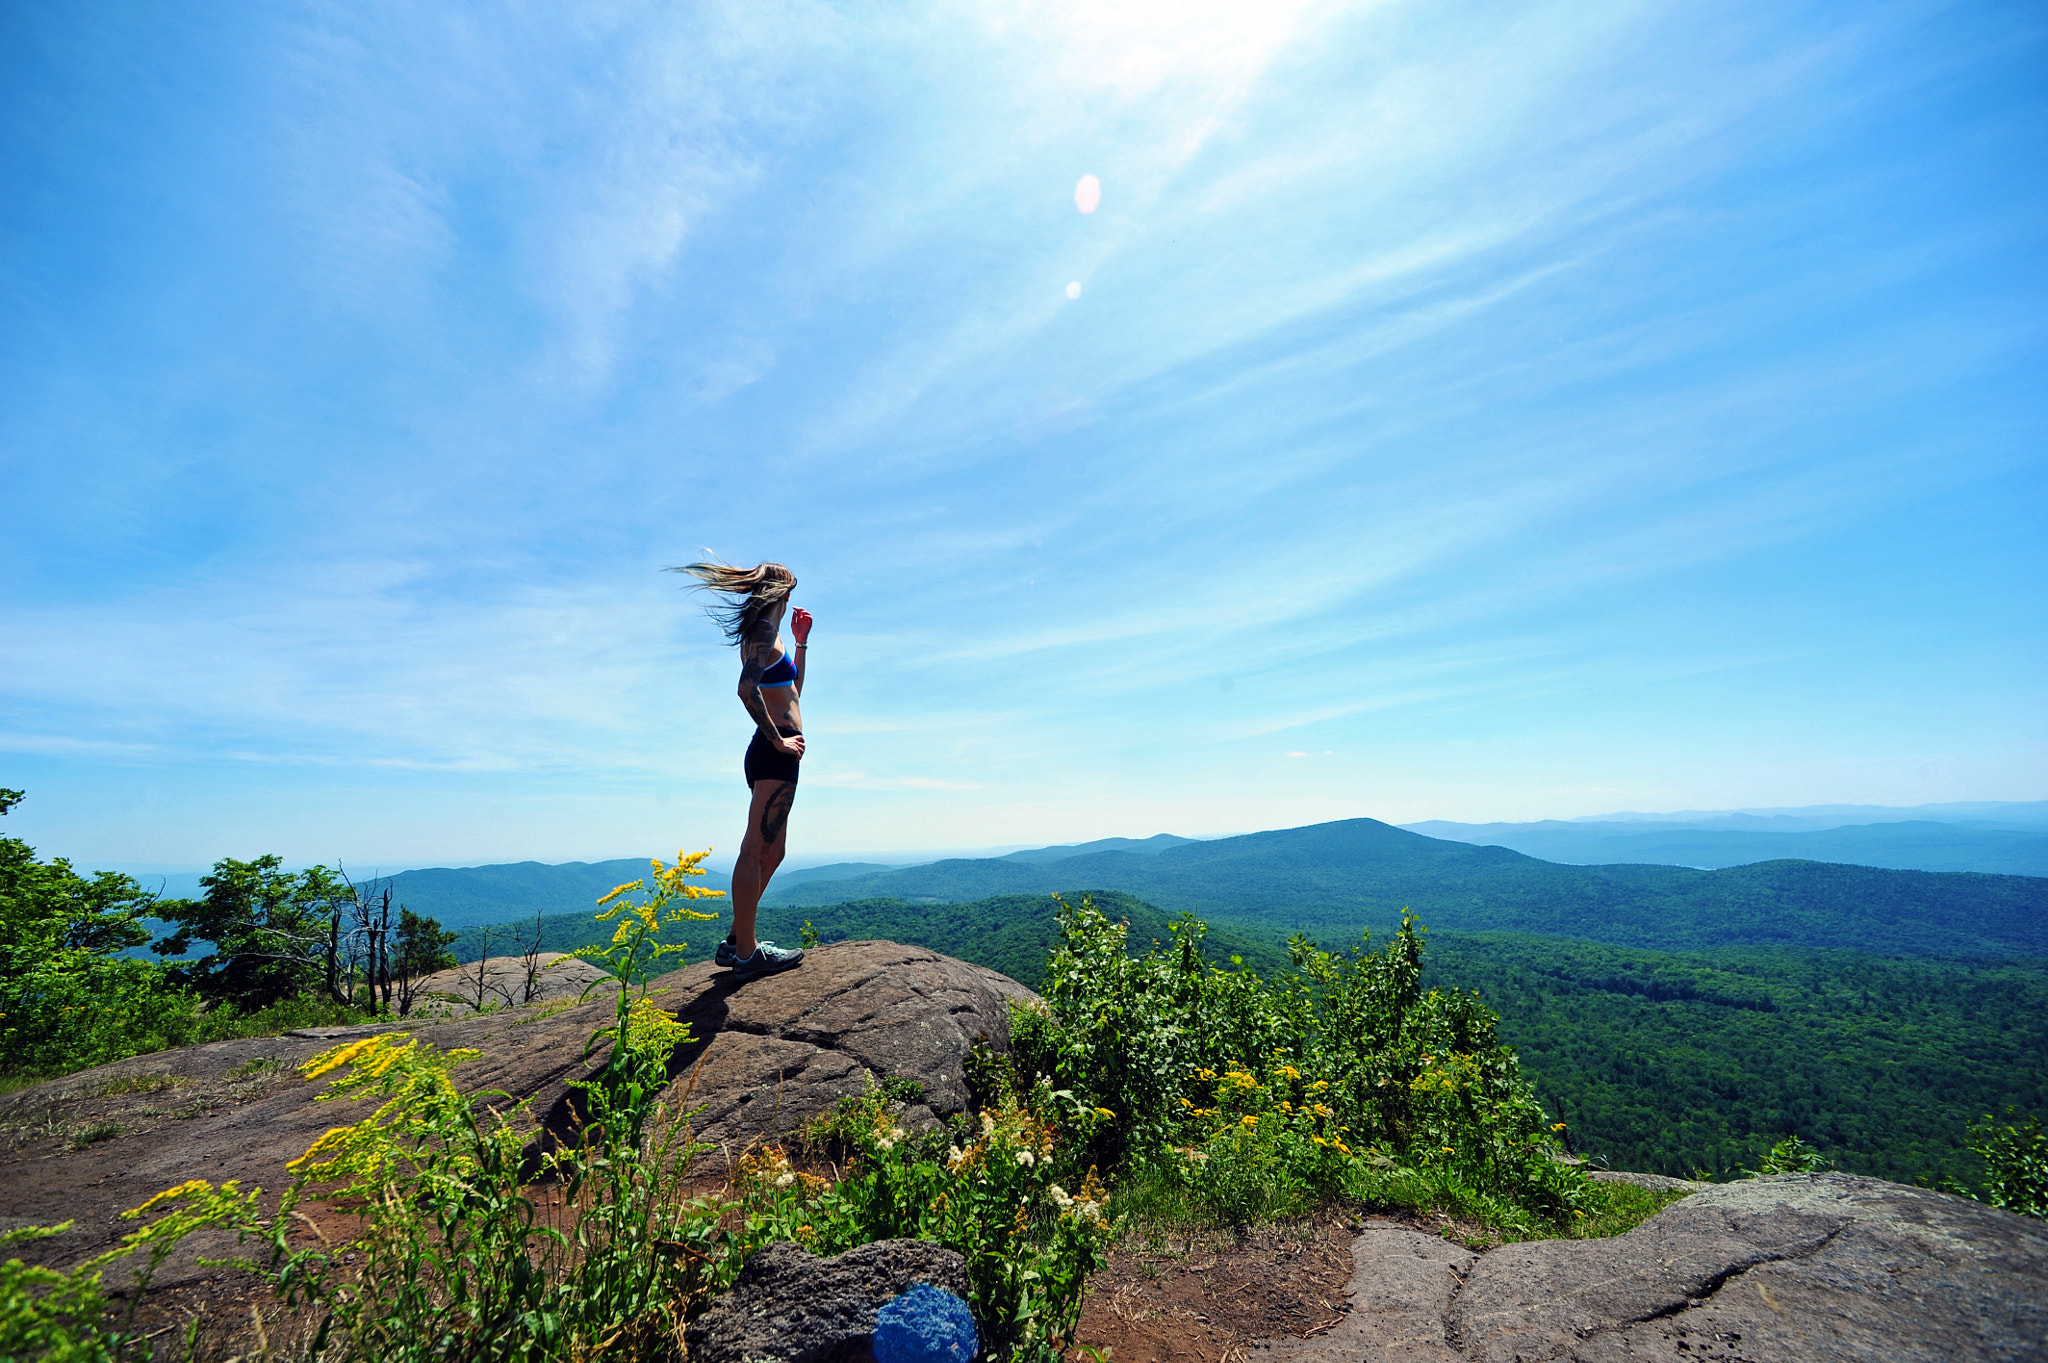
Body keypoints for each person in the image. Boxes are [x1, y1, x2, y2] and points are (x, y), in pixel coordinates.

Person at [674, 558, 811, 980]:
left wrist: (801, 644)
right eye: (788, 591)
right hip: (773, 755)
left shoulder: (774, 636)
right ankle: (747, 955)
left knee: (774, 851)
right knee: (755, 848)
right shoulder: (761, 632)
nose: (791, 599)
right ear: (778, 593)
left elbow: (792, 695)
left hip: (779, 755)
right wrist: (777, 740)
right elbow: (744, 689)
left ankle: (737, 941)